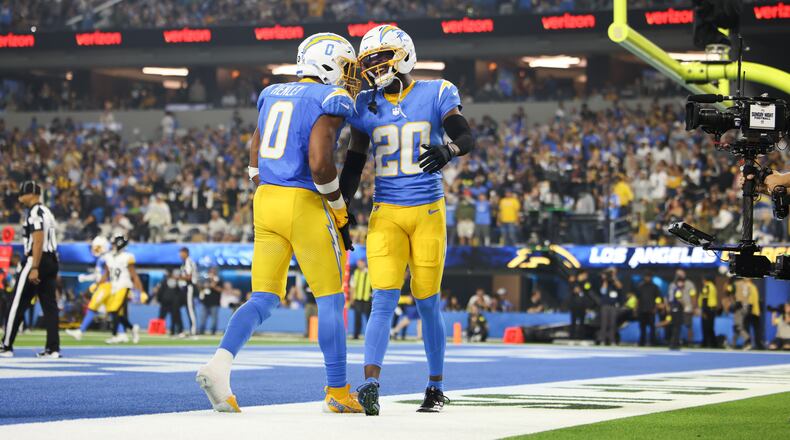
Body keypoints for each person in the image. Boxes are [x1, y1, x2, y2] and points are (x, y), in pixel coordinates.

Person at [197, 33, 362, 414]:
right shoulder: (328, 98)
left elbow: (255, 151)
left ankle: (220, 365)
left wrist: (267, 186)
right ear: (328, 63)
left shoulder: (272, 93)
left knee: (264, 297)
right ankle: (337, 391)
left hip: (266, 198)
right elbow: (321, 163)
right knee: (330, 299)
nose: (349, 75)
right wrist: (338, 207)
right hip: (302, 201)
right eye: (346, 66)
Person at [340, 25, 475, 415]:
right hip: (386, 212)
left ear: (404, 54)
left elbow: (464, 136)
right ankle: (370, 384)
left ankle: (435, 386)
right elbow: (353, 164)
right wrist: (341, 208)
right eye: (370, 60)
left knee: (428, 301)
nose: (375, 66)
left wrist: (448, 149)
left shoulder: (436, 91)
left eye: (381, 56)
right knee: (382, 299)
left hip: (428, 211)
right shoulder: (365, 103)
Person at [1, 181, 61, 358]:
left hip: (37, 259)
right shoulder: (47, 212)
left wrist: (34, 266)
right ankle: (53, 348)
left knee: (15, 303)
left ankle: (6, 346)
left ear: (31, 194)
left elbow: (38, 239)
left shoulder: (34, 212)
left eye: (22, 194)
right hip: (51, 260)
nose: (20, 198)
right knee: (50, 306)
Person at [66, 236, 121, 341]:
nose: (95, 250)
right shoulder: (103, 257)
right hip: (106, 285)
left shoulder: (106, 257)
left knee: (92, 307)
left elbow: (107, 272)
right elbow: (98, 275)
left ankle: (80, 331)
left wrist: (98, 284)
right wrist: (86, 278)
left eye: (97, 247)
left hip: (106, 286)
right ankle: (122, 333)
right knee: (113, 311)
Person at [99, 235, 145, 345]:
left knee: (114, 310)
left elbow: (133, 275)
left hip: (124, 285)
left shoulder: (127, 256)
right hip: (114, 286)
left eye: (115, 244)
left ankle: (115, 334)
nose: (113, 246)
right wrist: (98, 285)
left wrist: (141, 290)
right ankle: (132, 327)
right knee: (115, 312)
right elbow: (106, 273)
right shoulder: (109, 256)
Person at [667, 270, 696, 346]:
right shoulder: (674, 287)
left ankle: (687, 342)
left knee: (686, 325)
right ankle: (674, 342)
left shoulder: (689, 284)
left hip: (683, 309)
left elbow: (693, 296)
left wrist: (692, 307)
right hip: (678, 309)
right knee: (676, 326)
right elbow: (678, 299)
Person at [597, 268, 622, 346]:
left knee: (613, 323)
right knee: (604, 323)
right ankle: (602, 340)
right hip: (605, 305)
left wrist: (614, 278)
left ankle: (612, 340)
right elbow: (603, 291)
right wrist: (605, 279)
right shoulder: (604, 281)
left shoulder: (615, 280)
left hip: (613, 305)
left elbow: (620, 287)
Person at [178, 247, 199, 337]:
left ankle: (193, 330)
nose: (180, 255)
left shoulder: (188, 261)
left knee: (190, 309)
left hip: (189, 287)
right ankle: (181, 329)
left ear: (186, 253)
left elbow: (189, 277)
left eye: (181, 253)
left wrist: (177, 277)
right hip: (184, 288)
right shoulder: (184, 262)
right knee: (180, 307)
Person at [349, 259, 372, 340]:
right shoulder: (355, 273)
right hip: (358, 299)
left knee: (369, 318)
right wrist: (351, 299)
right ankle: (356, 335)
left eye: (360, 263)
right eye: (358, 263)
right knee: (357, 318)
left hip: (367, 299)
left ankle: (371, 335)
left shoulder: (370, 272)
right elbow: (352, 287)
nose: (359, 265)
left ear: (364, 263)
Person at [155, 270, 183, 335]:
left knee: (174, 318)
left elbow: (180, 294)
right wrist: (160, 299)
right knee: (162, 317)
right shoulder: (165, 281)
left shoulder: (178, 283)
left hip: (172, 303)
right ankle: (159, 330)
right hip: (166, 302)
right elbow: (160, 291)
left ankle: (174, 331)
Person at [636, 274, 661, 347]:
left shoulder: (654, 287)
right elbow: (638, 298)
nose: (647, 278)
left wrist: (655, 308)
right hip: (642, 310)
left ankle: (652, 342)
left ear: (651, 277)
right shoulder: (640, 286)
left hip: (651, 310)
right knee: (642, 327)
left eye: (649, 276)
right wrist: (637, 308)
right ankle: (642, 342)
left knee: (652, 327)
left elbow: (658, 298)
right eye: (646, 276)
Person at [199, 267, 222, 335]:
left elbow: (220, 290)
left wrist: (213, 284)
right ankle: (201, 331)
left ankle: (213, 332)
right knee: (203, 318)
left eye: (213, 271)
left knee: (214, 319)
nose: (212, 273)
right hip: (205, 302)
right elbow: (200, 288)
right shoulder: (206, 279)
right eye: (211, 271)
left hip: (214, 302)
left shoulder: (219, 280)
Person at [698, 276, 719, 348]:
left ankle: (705, 343)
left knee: (705, 327)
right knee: (710, 327)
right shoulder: (713, 286)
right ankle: (713, 343)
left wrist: (704, 311)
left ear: (705, 280)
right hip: (712, 309)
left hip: (707, 309)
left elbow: (705, 299)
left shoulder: (706, 286)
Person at [668, 278, 686, 350]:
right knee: (676, 328)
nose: (682, 284)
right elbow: (679, 299)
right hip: (677, 310)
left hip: (674, 310)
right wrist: (684, 305)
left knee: (676, 327)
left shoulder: (675, 289)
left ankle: (674, 343)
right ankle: (674, 344)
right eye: (681, 282)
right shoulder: (678, 290)